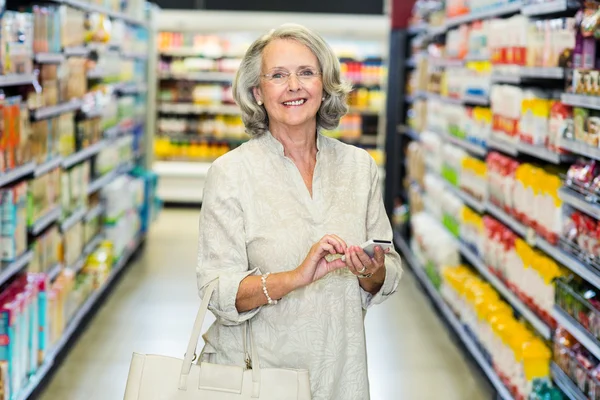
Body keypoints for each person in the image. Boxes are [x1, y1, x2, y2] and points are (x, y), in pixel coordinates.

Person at [196, 23, 402, 400]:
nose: (294, 86)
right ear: (257, 92)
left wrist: (371, 269)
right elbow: (216, 291)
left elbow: (386, 275)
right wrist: (294, 277)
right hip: (257, 376)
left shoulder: (359, 168)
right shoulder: (230, 173)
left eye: (306, 72)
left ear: (324, 86)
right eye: (278, 75)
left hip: (341, 369)